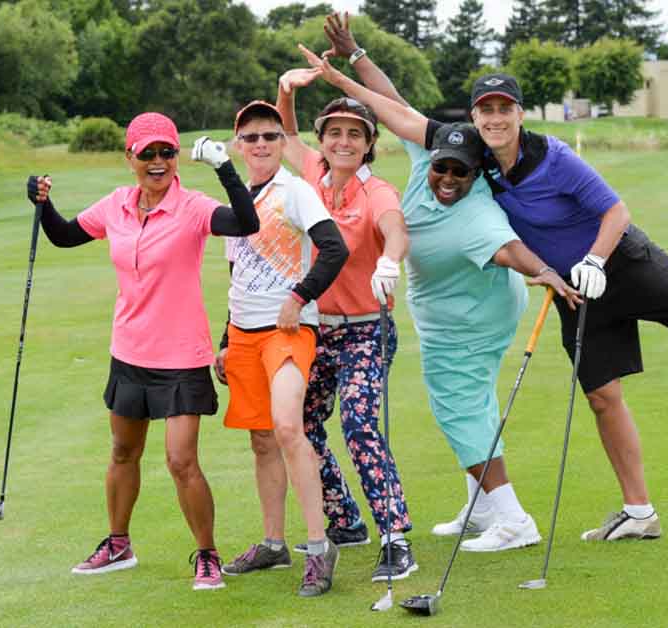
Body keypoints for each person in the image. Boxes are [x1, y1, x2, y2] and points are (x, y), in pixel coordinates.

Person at [462, 71, 668, 541]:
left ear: (520, 113)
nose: (495, 118)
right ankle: (639, 512)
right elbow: (405, 117)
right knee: (602, 395)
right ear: (473, 117)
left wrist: (595, 258)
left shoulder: (554, 156)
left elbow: (616, 211)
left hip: (623, 262)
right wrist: (354, 61)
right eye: (485, 110)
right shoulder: (475, 160)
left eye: (504, 108)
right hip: (574, 290)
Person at [301, 40, 584, 553]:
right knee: (475, 402)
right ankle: (479, 507)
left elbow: (512, 250)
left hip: (472, 317)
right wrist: (357, 55)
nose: (447, 178)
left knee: (458, 409)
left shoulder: (477, 218)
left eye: (460, 172)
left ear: (475, 174)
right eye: (442, 167)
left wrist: (547, 273)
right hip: (455, 306)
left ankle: (513, 520)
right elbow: (397, 106)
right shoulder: (423, 158)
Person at [26, 112, 259, 590]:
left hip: (181, 357)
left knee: (181, 461)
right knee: (122, 451)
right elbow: (65, 234)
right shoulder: (116, 205)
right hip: (130, 352)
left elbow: (245, 222)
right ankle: (118, 543)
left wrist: (224, 168)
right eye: (147, 153)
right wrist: (42, 204)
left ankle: (207, 554)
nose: (157, 162)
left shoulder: (193, 207)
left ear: (176, 156)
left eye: (166, 152)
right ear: (129, 156)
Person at [271, 72, 418, 581]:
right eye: (335, 132)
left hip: (365, 331)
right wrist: (286, 91)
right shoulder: (312, 173)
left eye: (355, 134)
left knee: (358, 425)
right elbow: (285, 136)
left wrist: (390, 261)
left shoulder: (375, 190)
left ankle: (395, 537)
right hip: (318, 330)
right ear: (323, 139)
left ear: (369, 143)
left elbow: (394, 228)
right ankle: (343, 519)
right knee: (302, 425)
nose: (343, 142)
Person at [213, 100, 350, 597]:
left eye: (270, 136)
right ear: (238, 146)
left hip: (289, 329)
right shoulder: (237, 199)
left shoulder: (296, 191)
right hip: (246, 332)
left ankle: (319, 547)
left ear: (280, 141)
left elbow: (335, 247)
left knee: (289, 428)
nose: (262, 145)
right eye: (251, 138)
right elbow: (238, 273)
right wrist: (227, 338)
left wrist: (299, 296)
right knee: (262, 439)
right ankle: (274, 544)